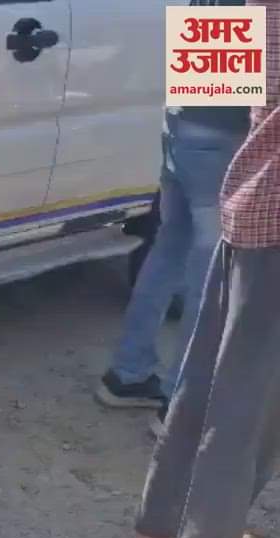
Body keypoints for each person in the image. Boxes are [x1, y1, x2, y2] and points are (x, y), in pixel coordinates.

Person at [129, 0, 280, 538]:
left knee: (200, 342)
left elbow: (208, 54)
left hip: (206, 133)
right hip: (241, 156)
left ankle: (128, 371)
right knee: (244, 391)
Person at [96, 0, 250, 439]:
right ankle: (180, 405)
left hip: (182, 127)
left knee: (169, 249)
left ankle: (127, 374)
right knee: (209, 272)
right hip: (222, 139)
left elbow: (212, 58)